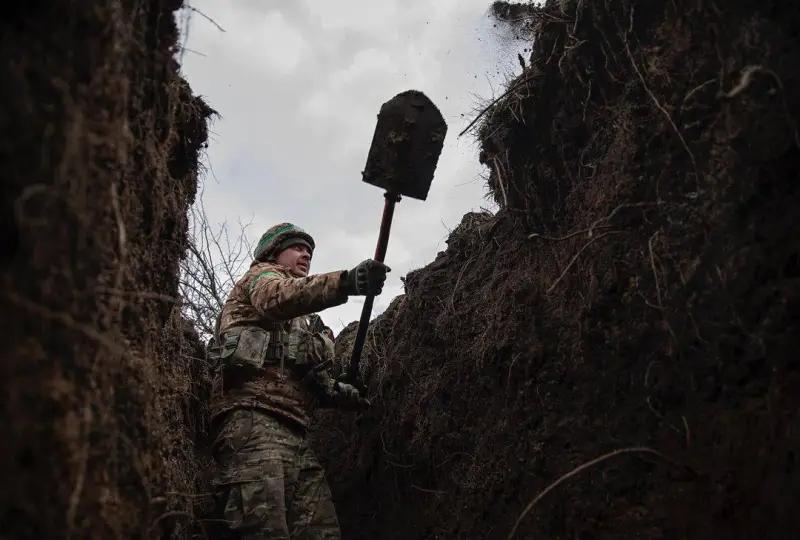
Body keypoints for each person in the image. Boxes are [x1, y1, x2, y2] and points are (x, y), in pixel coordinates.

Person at [208, 222, 389, 539]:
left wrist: (340, 393)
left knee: (321, 532)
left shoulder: (307, 322)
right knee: (262, 527)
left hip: (297, 434)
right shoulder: (262, 279)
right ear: (273, 253)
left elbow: (310, 378)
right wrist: (346, 282)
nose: (306, 253)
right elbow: (276, 298)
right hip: (253, 420)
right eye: (297, 247)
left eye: (310, 250)